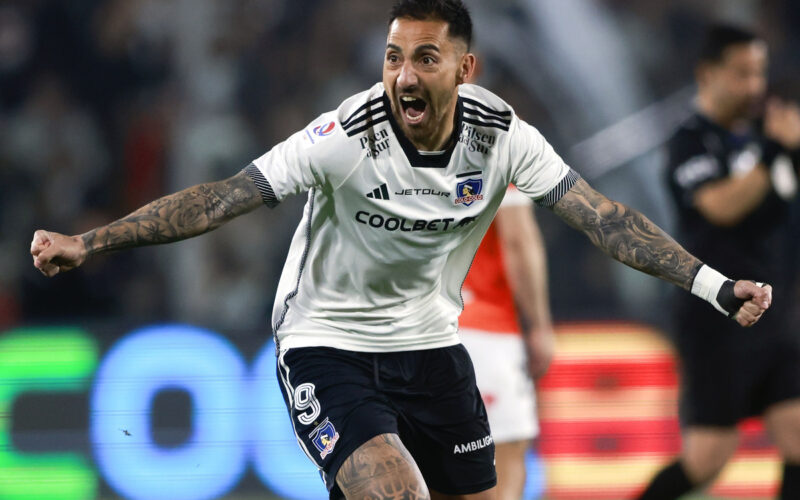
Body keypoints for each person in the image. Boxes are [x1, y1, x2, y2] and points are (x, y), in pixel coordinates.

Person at [31, 2, 771, 499]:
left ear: (464, 69)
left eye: (423, 58)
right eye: (392, 58)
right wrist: (90, 243)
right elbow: (221, 198)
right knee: (396, 492)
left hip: (431, 348)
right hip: (326, 347)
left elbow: (603, 218)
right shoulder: (344, 138)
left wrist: (713, 285)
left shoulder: (503, 138)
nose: (402, 77)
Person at [635, 24, 800, 500]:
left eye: (760, 72)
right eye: (742, 73)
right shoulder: (689, 142)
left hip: (776, 319)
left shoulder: (759, 139)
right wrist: (774, 152)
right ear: (707, 74)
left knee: (798, 437)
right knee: (708, 459)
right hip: (717, 322)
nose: (754, 85)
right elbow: (721, 206)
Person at [459, 185, 554, 500]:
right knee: (503, 472)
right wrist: (539, 325)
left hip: (412, 335)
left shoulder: (389, 152)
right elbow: (517, 240)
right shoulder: (491, 146)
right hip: (483, 331)